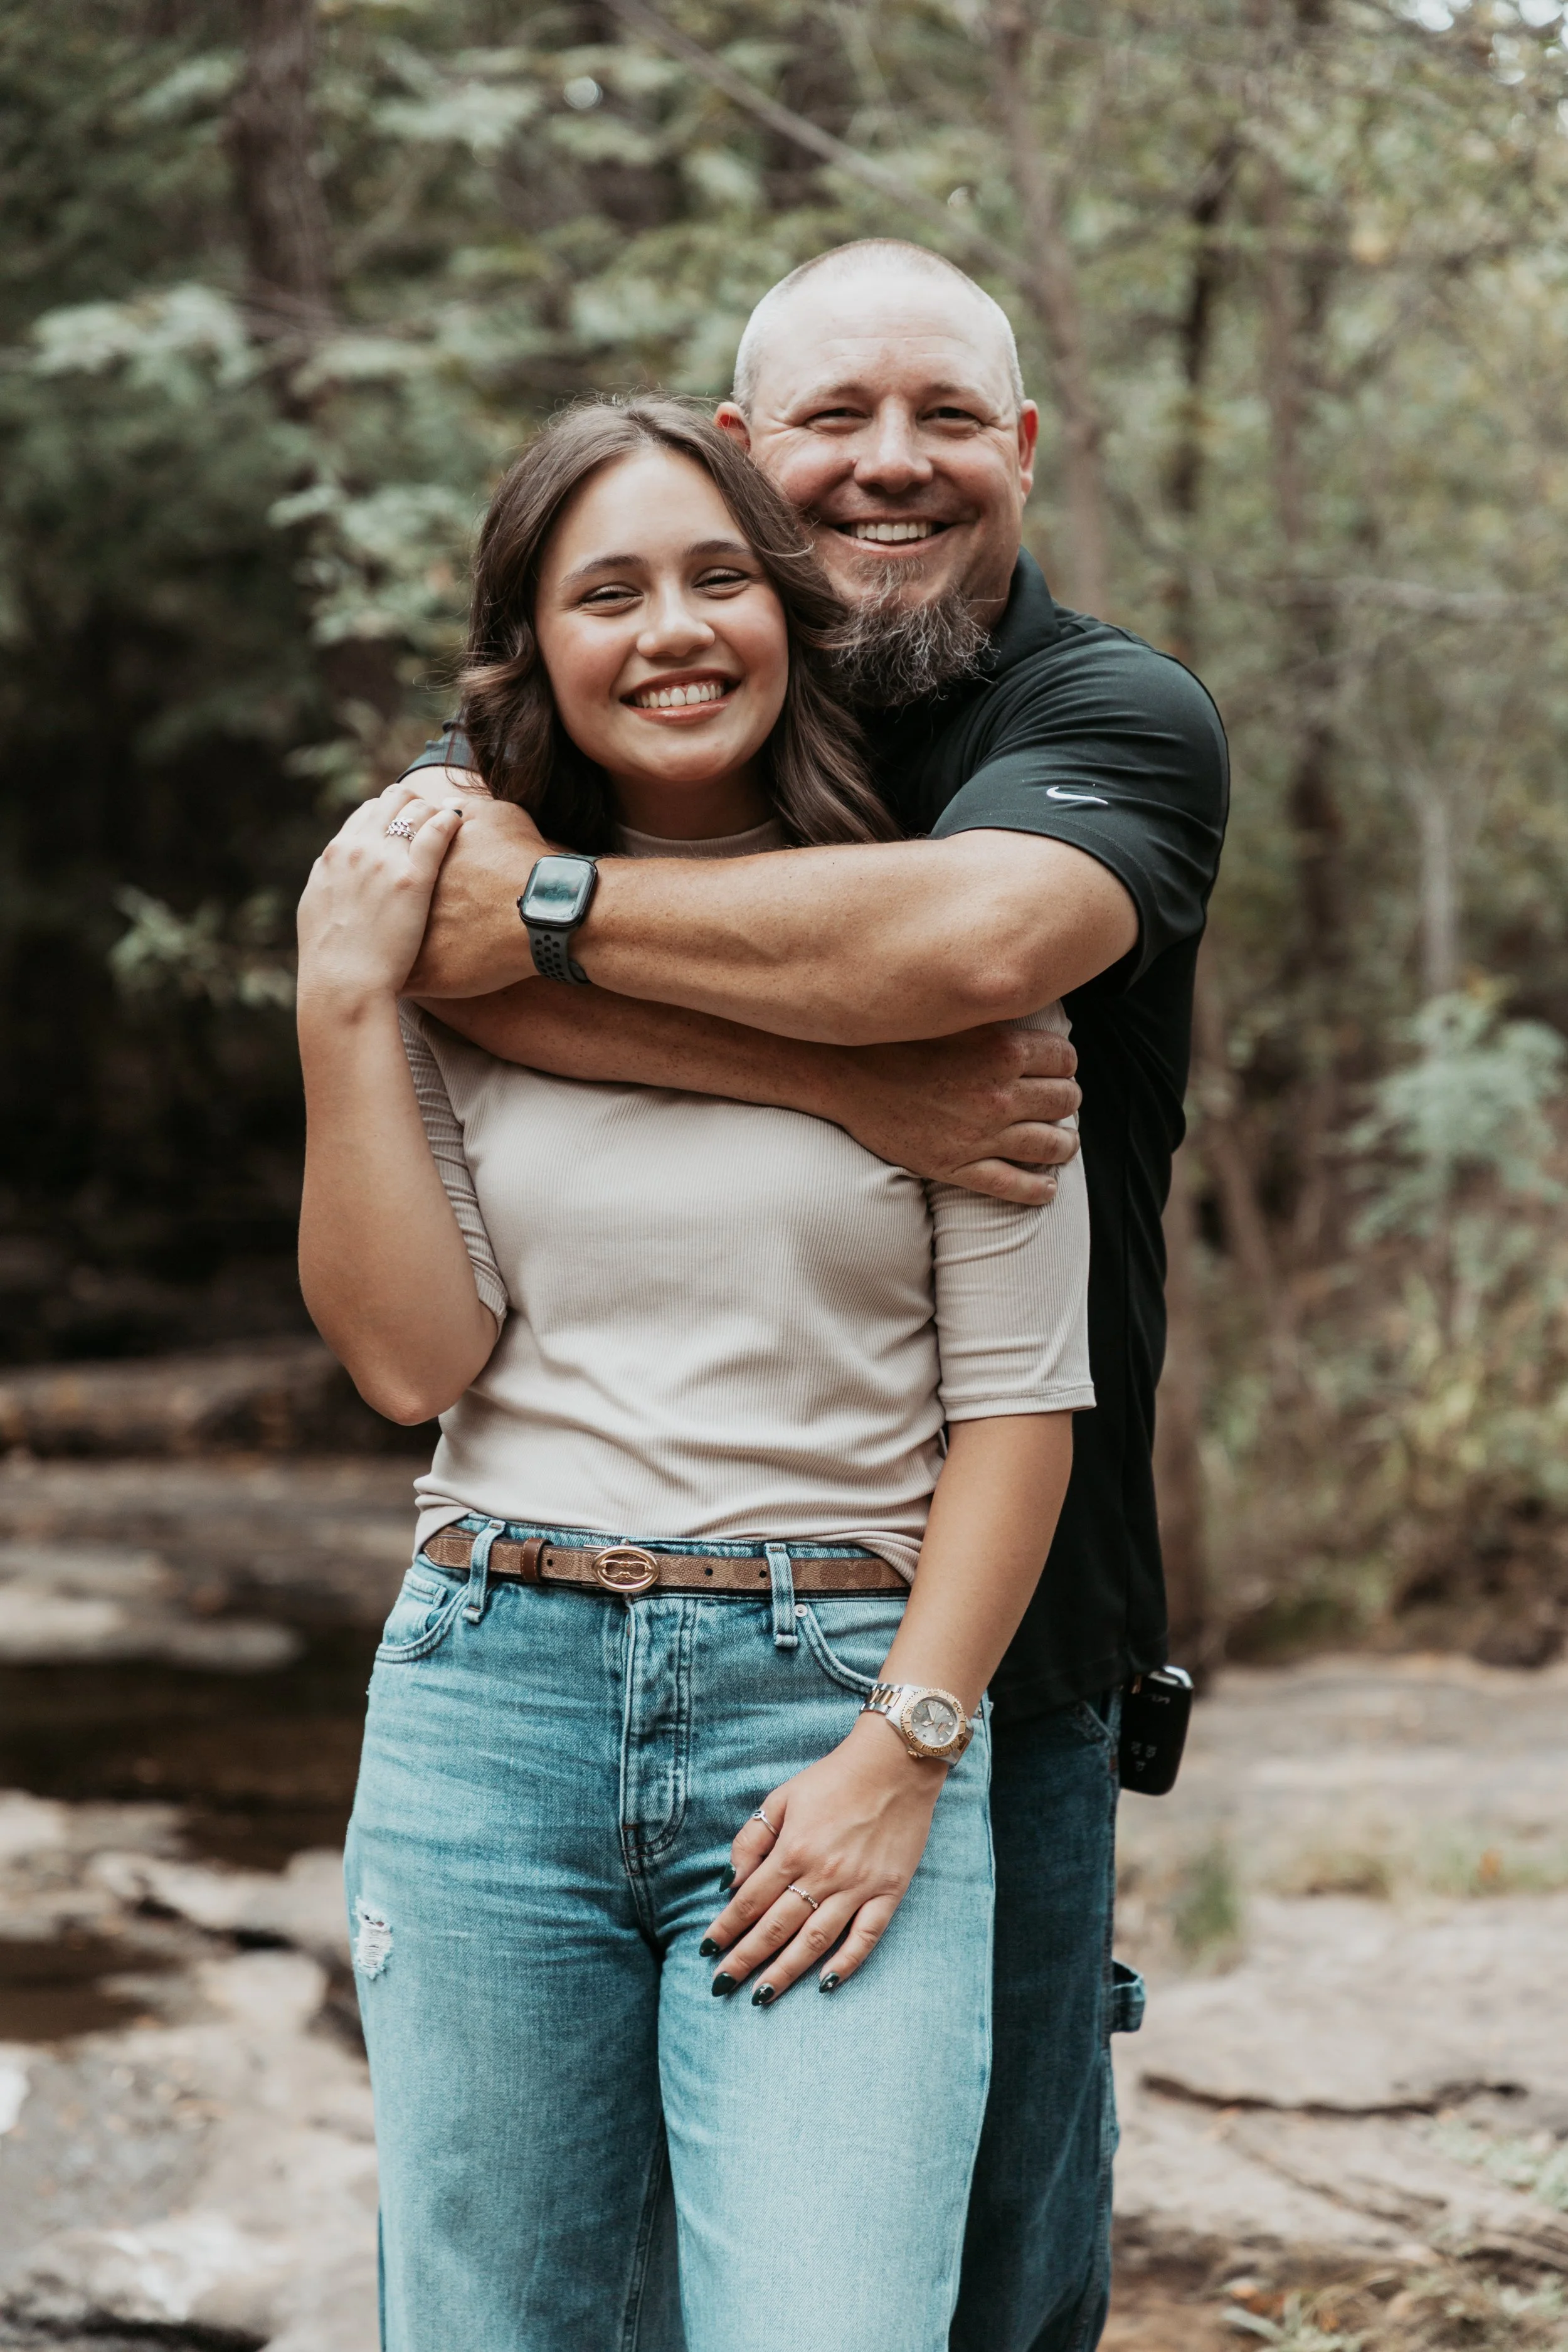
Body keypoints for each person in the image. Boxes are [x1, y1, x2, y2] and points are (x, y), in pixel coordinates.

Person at [395, 241, 1229, 2351]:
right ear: (749, 457)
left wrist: (565, 911)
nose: (892, 464)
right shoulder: (666, 683)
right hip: (576, 1633)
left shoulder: (1103, 710)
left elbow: (971, 949)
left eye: (945, 416)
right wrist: (848, 1077)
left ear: (1021, 447)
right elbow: (423, 954)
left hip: (1009, 1652)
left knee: (959, 2293)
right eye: (834, 419)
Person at [296, 396, 1094, 2351]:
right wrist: (338, 1002)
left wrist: (902, 1749)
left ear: (790, 612)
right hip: (494, 1693)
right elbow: (412, 1358)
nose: (672, 629)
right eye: (608, 591)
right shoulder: (446, 952)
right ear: (534, 649)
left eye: (719, 575)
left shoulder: (926, 940)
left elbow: (1017, 1407)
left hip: (823, 1698)